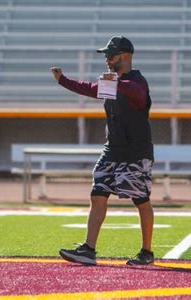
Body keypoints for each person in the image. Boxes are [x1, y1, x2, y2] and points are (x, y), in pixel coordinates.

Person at [51, 36, 155, 266]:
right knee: (97, 194)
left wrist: (115, 83)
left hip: (135, 152)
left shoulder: (137, 80)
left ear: (126, 56)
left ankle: (146, 252)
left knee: (141, 200)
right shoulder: (113, 82)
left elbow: (137, 94)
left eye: (112, 54)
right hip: (112, 151)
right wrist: (63, 80)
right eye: (106, 55)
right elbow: (91, 89)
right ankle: (88, 249)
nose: (107, 59)